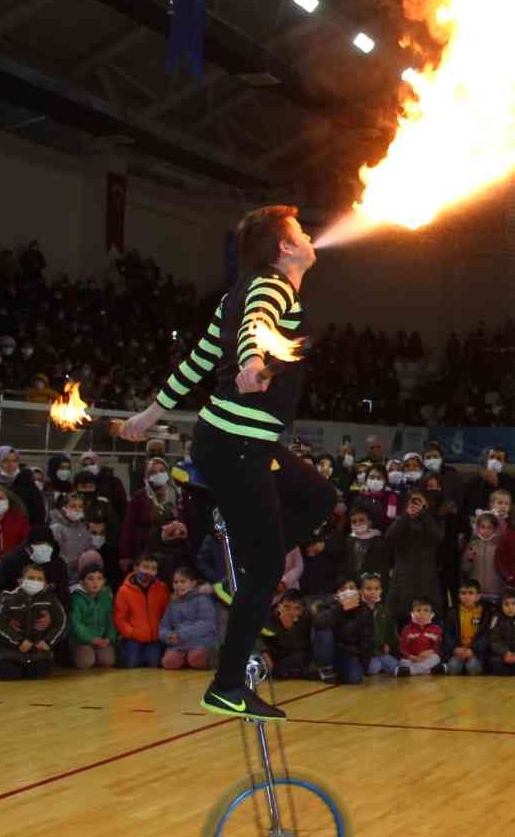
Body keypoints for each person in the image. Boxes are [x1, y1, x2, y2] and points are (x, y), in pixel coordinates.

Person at [118, 206, 336, 721]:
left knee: (319, 498)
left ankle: (240, 559)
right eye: (300, 233)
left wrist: (151, 413)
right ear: (284, 248)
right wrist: (253, 362)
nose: (309, 237)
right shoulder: (272, 286)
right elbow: (258, 323)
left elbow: (197, 360)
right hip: (236, 443)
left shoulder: (237, 291)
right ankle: (227, 684)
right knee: (264, 571)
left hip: (238, 441)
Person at [0, 563, 65, 680]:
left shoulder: (51, 600)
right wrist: (18, 641)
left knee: (38, 675)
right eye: (31, 578)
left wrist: (48, 641)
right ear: (20, 581)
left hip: (39, 652)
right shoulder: (8, 599)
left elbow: (61, 623)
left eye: (39, 579)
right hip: (12, 652)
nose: (35, 581)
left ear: (45, 583)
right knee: (10, 675)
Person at [385, 490, 444, 624]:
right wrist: (406, 515)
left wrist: (423, 514)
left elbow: (438, 537)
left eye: (419, 502)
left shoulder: (431, 519)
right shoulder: (401, 519)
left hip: (426, 573)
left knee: (425, 614)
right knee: (401, 613)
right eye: (413, 502)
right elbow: (389, 536)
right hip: (403, 572)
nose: (416, 505)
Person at [158, 566, 222, 671]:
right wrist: (168, 636)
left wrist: (180, 634)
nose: (179, 585)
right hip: (179, 643)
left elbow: (207, 624)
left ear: (193, 583)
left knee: (196, 659)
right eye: (176, 582)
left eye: (183, 582)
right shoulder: (172, 603)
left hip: (201, 641)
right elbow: (163, 626)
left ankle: (202, 658)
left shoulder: (203, 599)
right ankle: (185, 659)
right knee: (169, 662)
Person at [114, 552, 169, 668]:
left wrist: (161, 633)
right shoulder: (124, 591)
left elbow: (167, 614)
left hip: (154, 638)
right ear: (135, 568)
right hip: (133, 638)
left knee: (153, 663)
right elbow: (120, 618)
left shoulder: (162, 588)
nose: (149, 572)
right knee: (131, 663)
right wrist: (131, 633)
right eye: (145, 567)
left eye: (153, 569)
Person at [321, 578, 374, 684]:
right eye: (343, 589)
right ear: (337, 593)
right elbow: (319, 623)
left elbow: (366, 640)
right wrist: (339, 608)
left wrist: (364, 664)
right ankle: (326, 669)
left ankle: (337, 672)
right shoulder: (331, 605)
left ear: (358, 592)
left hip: (351, 652)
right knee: (324, 631)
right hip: (332, 650)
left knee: (355, 678)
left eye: (351, 588)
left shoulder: (365, 611)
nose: (348, 592)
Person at [69, 565, 117, 669]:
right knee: (86, 662)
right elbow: (76, 624)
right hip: (81, 641)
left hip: (101, 639)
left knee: (108, 661)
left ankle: (96, 655)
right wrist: (90, 639)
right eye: (90, 578)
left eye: (99, 578)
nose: (95, 582)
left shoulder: (106, 596)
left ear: (104, 581)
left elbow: (111, 620)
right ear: (82, 583)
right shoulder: (76, 598)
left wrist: (109, 638)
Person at [442, 579, 489, 675]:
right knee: (452, 668)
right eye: (463, 593)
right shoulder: (453, 612)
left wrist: (473, 650)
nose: (467, 596)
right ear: (459, 596)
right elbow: (447, 634)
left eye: (471, 593)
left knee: (473, 668)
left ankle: (468, 666)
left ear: (478, 596)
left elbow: (486, 635)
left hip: (475, 653)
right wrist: (455, 649)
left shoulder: (485, 613)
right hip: (458, 652)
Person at [359, 573, 400, 677]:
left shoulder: (384, 610)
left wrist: (388, 644)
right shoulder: (358, 610)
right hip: (367, 653)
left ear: (381, 591)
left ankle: (382, 664)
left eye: (376, 589)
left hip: (381, 651)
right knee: (374, 668)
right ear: (361, 591)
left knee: (396, 666)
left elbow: (390, 631)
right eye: (368, 589)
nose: (373, 592)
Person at [484, 592, 515, 676]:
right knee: (496, 664)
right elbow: (494, 641)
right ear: (501, 605)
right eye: (506, 604)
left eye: (514, 604)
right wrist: (505, 653)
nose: (510, 607)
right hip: (501, 655)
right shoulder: (496, 620)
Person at [397, 597, 444, 676]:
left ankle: (411, 671)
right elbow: (402, 647)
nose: (422, 613)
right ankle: (429, 671)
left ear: (431, 614)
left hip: (427, 657)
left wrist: (430, 652)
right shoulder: (406, 629)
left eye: (426, 610)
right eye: (418, 610)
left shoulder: (436, 629)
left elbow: (438, 645)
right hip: (411, 659)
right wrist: (411, 657)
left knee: (436, 658)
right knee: (403, 662)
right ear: (412, 613)